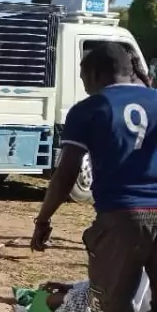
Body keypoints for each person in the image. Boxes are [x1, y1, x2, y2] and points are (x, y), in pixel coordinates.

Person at [31, 42, 157, 312]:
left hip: (120, 219)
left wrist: (43, 219)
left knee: (110, 303)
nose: (84, 86)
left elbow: (66, 173)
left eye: (83, 78)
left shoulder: (90, 109)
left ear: (95, 74)